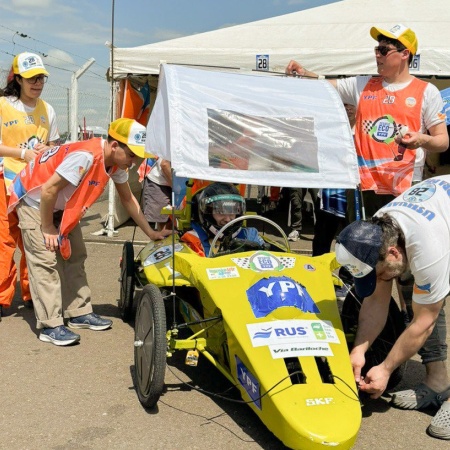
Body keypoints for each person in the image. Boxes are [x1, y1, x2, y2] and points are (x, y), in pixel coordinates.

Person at [8, 118, 171, 346]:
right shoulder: (85, 156)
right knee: (45, 261)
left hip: (62, 205)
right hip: (35, 202)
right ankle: (51, 325)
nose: (134, 162)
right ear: (114, 146)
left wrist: (150, 233)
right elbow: (48, 190)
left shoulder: (115, 163)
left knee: (76, 255)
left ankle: (78, 312)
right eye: (132, 155)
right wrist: (47, 227)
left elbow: (128, 199)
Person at [285, 24, 448, 221]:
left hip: (404, 185)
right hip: (365, 184)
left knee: (397, 248)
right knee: (362, 246)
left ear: (405, 54)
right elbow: (323, 86)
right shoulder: (362, 84)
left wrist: (421, 139)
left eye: (383, 50)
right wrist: (303, 73)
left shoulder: (426, 91)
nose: (377, 55)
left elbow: (442, 141)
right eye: (376, 50)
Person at [334, 174, 450, 440]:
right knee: (414, 288)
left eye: (378, 273)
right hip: (437, 219)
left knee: (426, 303)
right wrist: (359, 350)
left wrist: (386, 368)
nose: (379, 280)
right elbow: (376, 300)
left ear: (393, 252)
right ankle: (437, 381)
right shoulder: (376, 232)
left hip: (436, 231)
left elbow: (423, 323)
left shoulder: (427, 246)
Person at [0, 52, 59, 318]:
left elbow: (55, 146)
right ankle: (2, 298)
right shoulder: (3, 105)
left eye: (41, 78)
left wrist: (49, 149)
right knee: (4, 241)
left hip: (36, 187)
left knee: (33, 242)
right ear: (18, 79)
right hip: (7, 181)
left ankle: (32, 293)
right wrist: (23, 154)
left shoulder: (48, 109)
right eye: (30, 78)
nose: (37, 83)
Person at [180, 182, 265, 257]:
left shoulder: (250, 235)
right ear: (207, 212)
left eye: (232, 212)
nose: (228, 219)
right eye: (221, 212)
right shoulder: (194, 239)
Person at [141, 157, 172, 230]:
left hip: (174, 181)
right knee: (163, 220)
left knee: (174, 220)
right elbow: (164, 164)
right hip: (158, 180)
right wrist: (176, 187)